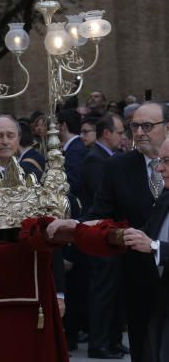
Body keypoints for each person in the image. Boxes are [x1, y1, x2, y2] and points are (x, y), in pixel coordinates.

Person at [47, 101, 169, 362]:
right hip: (139, 280)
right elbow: (99, 214)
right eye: (134, 126)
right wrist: (76, 226)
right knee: (145, 350)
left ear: (167, 127)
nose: (139, 132)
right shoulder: (119, 166)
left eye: (147, 126)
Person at [81, 114, 128, 359]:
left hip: (114, 234)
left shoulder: (109, 158)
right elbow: (105, 197)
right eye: (120, 132)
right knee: (103, 292)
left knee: (115, 292)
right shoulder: (95, 159)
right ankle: (99, 344)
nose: (123, 137)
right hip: (100, 234)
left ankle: (113, 340)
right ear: (107, 133)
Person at [123, 136, 169, 361]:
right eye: (161, 160)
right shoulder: (165, 198)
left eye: (167, 161)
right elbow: (145, 233)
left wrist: (153, 246)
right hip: (159, 308)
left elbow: (150, 243)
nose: (160, 168)